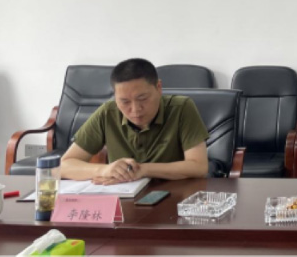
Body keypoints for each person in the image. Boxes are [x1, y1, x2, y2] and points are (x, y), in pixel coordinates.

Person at [61, 58, 209, 183]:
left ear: (158, 88)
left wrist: (143, 169)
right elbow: (64, 166)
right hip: (124, 199)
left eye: (142, 98)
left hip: (173, 193)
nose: (135, 109)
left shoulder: (182, 108)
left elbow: (199, 167)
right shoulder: (107, 113)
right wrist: (104, 170)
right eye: (124, 101)